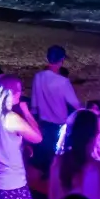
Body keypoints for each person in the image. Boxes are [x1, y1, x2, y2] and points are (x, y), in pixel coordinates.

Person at [31, 45, 80, 173]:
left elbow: (34, 102)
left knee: (43, 156)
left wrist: (34, 118)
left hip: (43, 122)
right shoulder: (63, 81)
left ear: (48, 58)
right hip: (59, 124)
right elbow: (75, 104)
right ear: (62, 60)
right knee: (56, 158)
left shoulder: (38, 76)